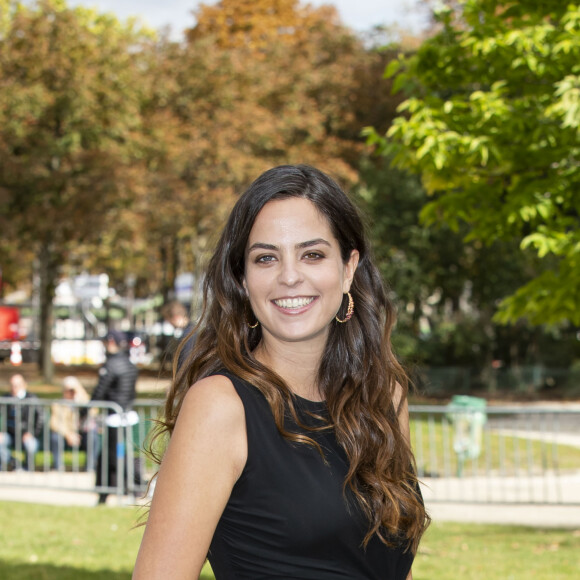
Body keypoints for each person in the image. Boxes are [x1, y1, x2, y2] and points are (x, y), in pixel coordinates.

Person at [133, 165, 430, 579]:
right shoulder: (221, 407)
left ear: (348, 268)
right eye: (266, 258)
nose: (289, 276)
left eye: (312, 254)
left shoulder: (384, 396)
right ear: (242, 278)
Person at [91, 330, 138, 504]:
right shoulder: (129, 363)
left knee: (113, 456)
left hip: (114, 417)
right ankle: (111, 492)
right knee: (116, 454)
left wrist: (85, 410)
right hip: (126, 415)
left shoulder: (111, 364)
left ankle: (131, 485)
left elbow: (100, 390)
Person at [49, 376, 99, 471]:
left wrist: (81, 397)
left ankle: (90, 467)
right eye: (69, 390)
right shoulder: (58, 404)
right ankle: (58, 467)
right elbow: (54, 423)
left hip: (82, 434)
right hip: (65, 434)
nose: (71, 393)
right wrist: (68, 434)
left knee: (92, 437)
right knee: (55, 438)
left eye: (74, 390)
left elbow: (94, 412)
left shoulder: (84, 402)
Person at [0, 373, 44, 471]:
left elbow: (41, 417)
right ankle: (13, 462)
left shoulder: (31, 398)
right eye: (12, 385)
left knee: (31, 445)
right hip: (10, 434)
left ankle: (27, 468)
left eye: (17, 385)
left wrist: (32, 433)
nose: (14, 388)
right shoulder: (6, 398)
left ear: (24, 385)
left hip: (26, 434)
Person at [160, 300, 196, 369]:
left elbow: (185, 364)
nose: (171, 325)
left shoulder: (188, 335)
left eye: (169, 321)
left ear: (175, 317)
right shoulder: (192, 331)